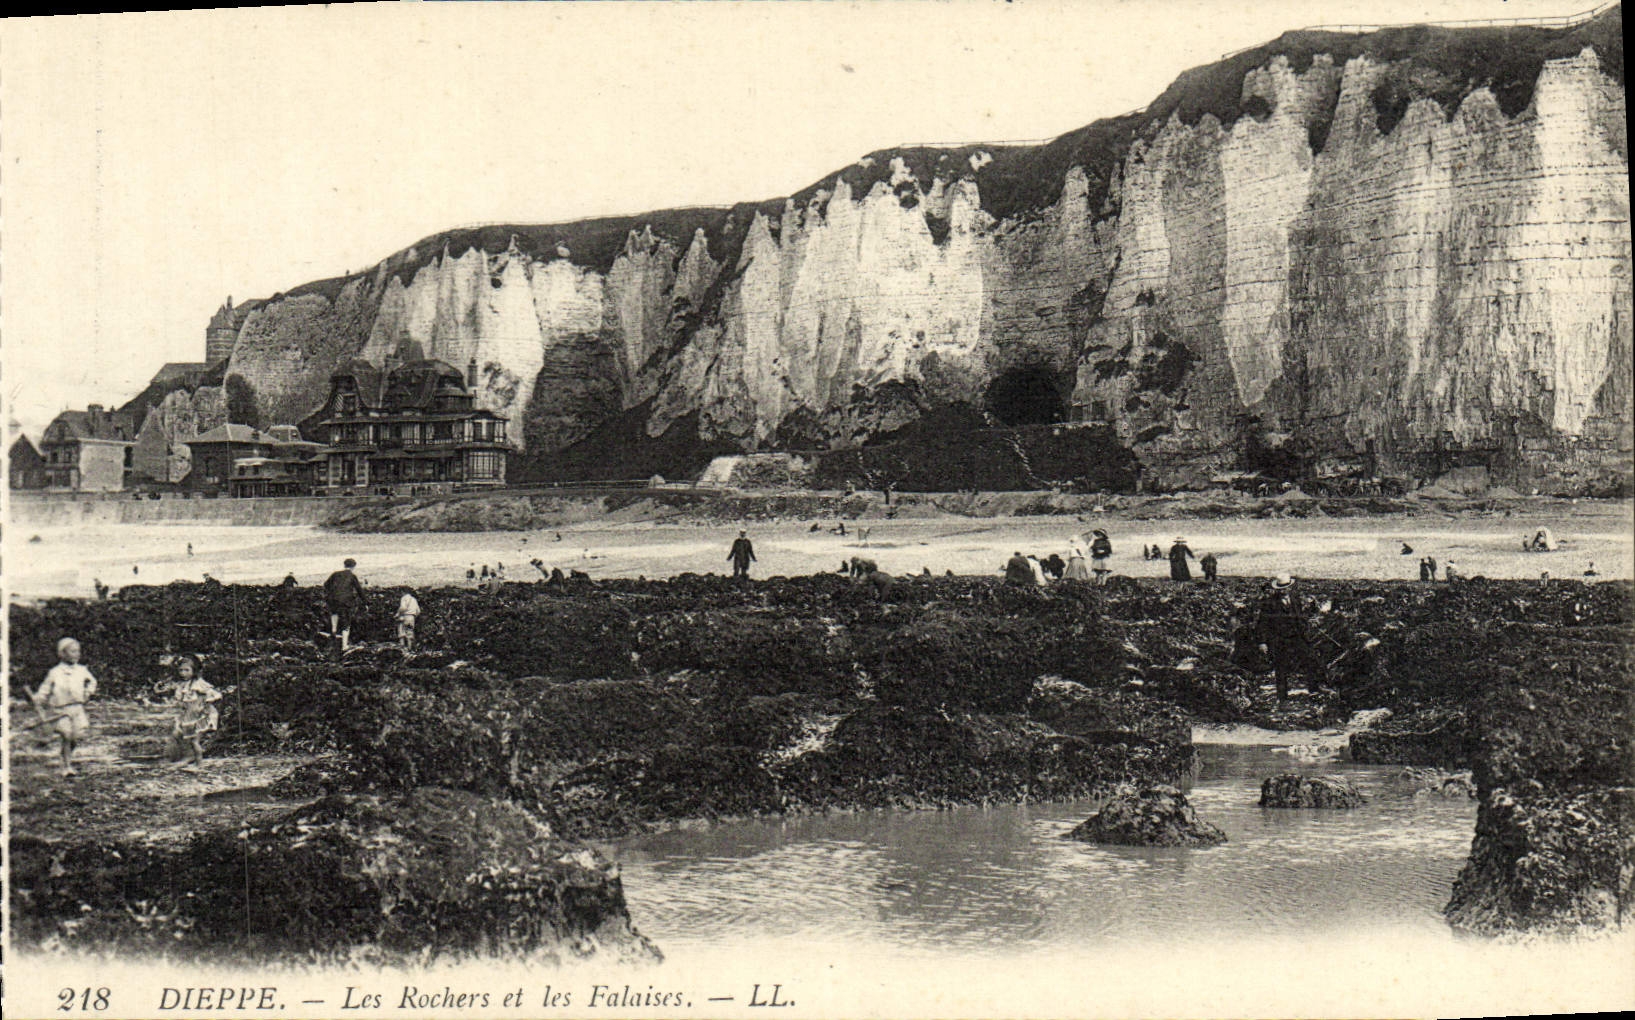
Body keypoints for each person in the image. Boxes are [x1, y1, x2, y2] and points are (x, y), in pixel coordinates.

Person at [32, 638, 97, 777]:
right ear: (63, 654)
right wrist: (39, 698)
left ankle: (65, 755)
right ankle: (66, 766)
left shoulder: (82, 670)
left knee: (76, 736)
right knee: (66, 735)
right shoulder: (55, 672)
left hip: (77, 709)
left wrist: (88, 692)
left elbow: (92, 682)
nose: (77, 654)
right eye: (73, 651)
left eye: (78, 651)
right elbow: (45, 688)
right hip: (60, 710)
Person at [1254, 576, 1323, 701]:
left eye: (1285, 588)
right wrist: (1262, 642)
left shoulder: (1295, 599)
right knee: (1281, 668)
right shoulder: (1269, 603)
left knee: (1310, 660)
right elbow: (1262, 623)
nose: (1282, 591)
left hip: (1297, 637)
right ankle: (1282, 698)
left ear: (1289, 587)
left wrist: (1307, 624)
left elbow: (1300, 617)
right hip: (1279, 639)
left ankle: (1314, 691)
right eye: (1280, 588)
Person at [167, 655, 221, 769]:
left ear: (194, 670)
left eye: (187, 670)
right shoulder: (182, 685)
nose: (183, 673)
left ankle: (199, 763)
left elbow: (214, 695)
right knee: (179, 735)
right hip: (189, 714)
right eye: (181, 670)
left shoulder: (199, 684)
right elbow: (181, 700)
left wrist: (205, 703)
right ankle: (188, 757)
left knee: (194, 740)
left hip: (200, 715)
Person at [323, 558, 367, 651]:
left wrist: (332, 593)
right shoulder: (352, 576)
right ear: (353, 566)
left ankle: (333, 630)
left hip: (333, 600)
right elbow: (359, 590)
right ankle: (344, 646)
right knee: (346, 623)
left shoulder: (335, 574)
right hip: (346, 601)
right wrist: (365, 602)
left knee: (334, 613)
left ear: (344, 565)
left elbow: (326, 584)